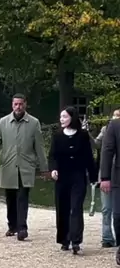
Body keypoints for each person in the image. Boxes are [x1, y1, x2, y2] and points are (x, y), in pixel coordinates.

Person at [0, 94, 48, 240]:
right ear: (12, 105)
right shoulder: (3, 122)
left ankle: (22, 228)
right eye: (15, 104)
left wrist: (44, 168)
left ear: (25, 104)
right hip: (8, 166)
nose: (18, 107)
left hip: (26, 166)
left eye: (20, 104)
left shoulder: (34, 123)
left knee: (22, 197)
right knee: (10, 198)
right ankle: (12, 225)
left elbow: (39, 146)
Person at [49, 107, 97, 254]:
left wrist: (93, 176)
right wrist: (53, 169)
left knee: (76, 207)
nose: (61, 119)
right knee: (62, 207)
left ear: (72, 117)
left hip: (78, 175)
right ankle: (64, 239)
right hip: (62, 176)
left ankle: (76, 240)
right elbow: (52, 155)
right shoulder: (57, 136)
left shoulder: (82, 135)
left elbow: (88, 156)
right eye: (61, 117)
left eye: (64, 116)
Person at [91, 110, 120, 247]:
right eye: (115, 115)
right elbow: (97, 145)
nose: (116, 117)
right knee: (107, 208)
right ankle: (107, 237)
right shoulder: (107, 129)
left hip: (116, 172)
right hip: (108, 173)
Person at [100, 115, 120, 266]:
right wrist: (105, 177)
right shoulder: (115, 125)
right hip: (118, 177)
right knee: (118, 215)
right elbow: (107, 151)